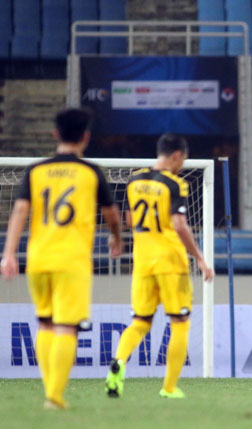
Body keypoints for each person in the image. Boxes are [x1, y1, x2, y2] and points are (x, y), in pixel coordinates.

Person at [1, 108, 122, 409]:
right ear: (86, 137)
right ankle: (54, 395)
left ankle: (50, 388)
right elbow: (111, 215)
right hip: (72, 260)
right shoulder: (91, 172)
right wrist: (117, 237)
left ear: (55, 134)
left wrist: (8, 253)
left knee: (44, 323)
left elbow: (19, 211)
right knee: (66, 327)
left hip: (39, 257)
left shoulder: (35, 170)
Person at [105, 134, 214, 399]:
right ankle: (169, 387)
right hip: (171, 262)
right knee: (180, 322)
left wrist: (120, 239)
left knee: (140, 322)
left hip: (142, 261)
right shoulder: (175, 185)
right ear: (177, 155)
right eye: (183, 159)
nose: (182, 165)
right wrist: (200, 257)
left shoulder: (134, 180)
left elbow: (129, 220)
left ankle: (118, 363)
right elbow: (179, 225)